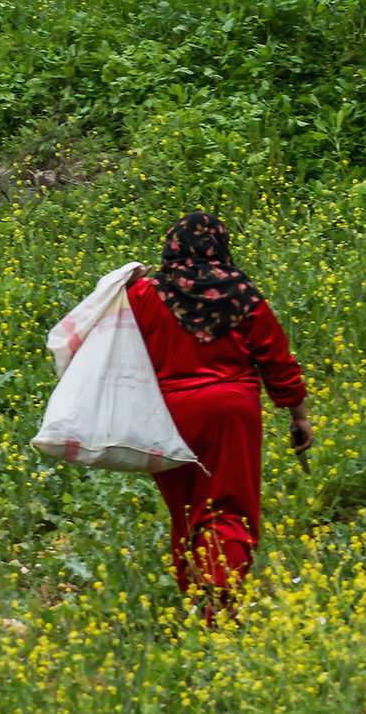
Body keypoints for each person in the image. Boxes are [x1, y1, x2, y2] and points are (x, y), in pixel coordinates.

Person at [124, 211, 313, 618]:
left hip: (167, 417)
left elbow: (107, 344)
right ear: (220, 248)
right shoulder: (242, 294)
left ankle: (197, 604)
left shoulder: (142, 295)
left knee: (187, 514)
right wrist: (298, 414)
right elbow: (277, 361)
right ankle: (218, 611)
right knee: (227, 510)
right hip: (231, 415)